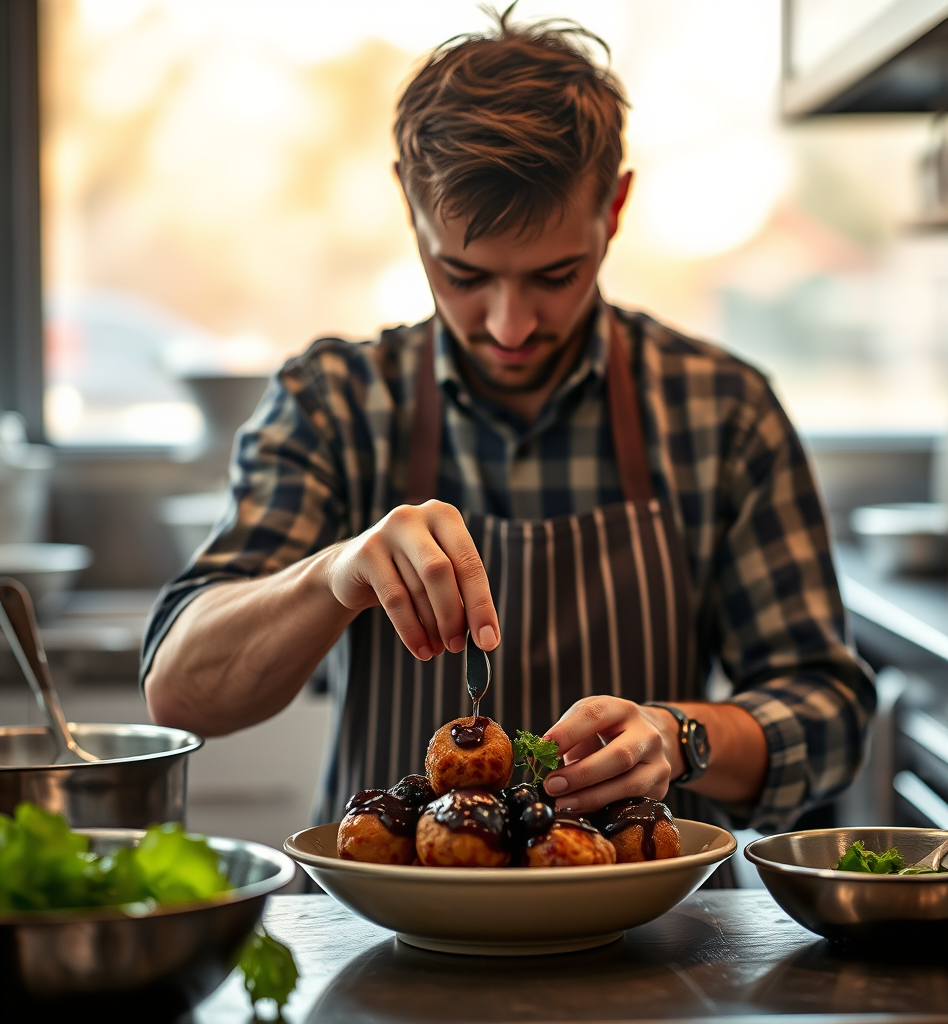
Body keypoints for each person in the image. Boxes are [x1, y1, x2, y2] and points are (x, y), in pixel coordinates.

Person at [142, 10, 875, 865]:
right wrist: (332, 575)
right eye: (464, 274)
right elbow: (180, 693)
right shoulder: (333, 404)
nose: (510, 324)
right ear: (409, 206)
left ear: (616, 207)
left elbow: (830, 712)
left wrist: (681, 736)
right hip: (383, 944)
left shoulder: (722, 411)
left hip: (650, 946)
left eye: (556, 275)